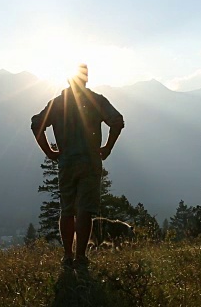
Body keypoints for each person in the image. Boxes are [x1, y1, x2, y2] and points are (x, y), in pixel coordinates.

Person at [31, 64, 124, 270]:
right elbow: (117, 121)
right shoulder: (97, 101)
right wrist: (107, 147)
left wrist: (50, 152)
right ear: (86, 79)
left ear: (67, 80)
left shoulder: (57, 104)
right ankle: (80, 257)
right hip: (90, 162)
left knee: (67, 210)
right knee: (85, 211)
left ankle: (67, 256)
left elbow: (36, 124)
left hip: (66, 163)